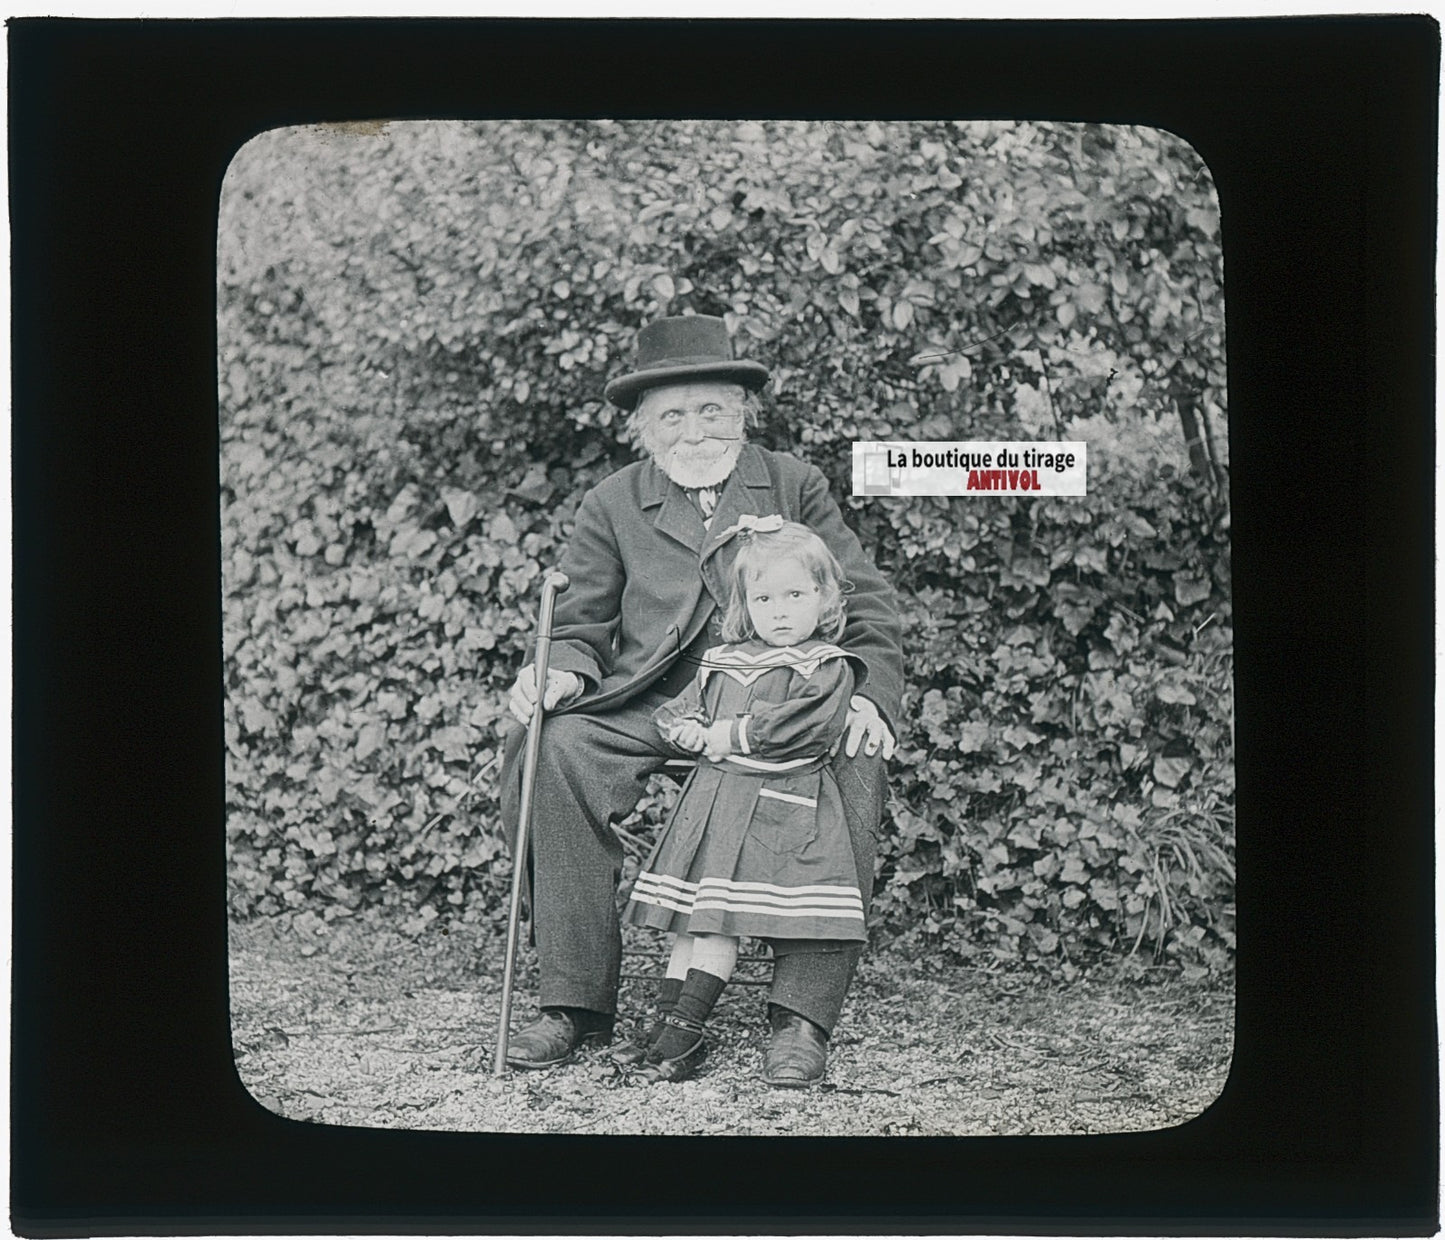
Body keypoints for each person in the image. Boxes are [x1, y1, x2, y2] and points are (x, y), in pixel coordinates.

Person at [499, 313, 902, 1088]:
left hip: (783, 694)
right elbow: (579, 623)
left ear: (741, 411)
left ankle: (800, 1018)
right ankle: (573, 1004)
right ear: (643, 427)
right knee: (557, 749)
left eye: (711, 409)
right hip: (657, 701)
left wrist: (870, 695)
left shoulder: (792, 483)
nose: (693, 431)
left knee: (854, 752)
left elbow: (862, 599)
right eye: (672, 416)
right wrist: (561, 672)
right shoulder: (613, 502)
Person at [617, 519, 867, 1083]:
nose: (780, 612)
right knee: (692, 923)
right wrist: (685, 727)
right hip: (715, 805)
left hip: (772, 809)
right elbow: (685, 708)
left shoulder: (824, 665)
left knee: (716, 923)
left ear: (824, 597)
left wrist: (728, 735)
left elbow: (805, 725)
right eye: (764, 599)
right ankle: (666, 1029)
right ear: (746, 605)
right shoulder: (726, 659)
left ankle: (685, 1033)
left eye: (795, 595)